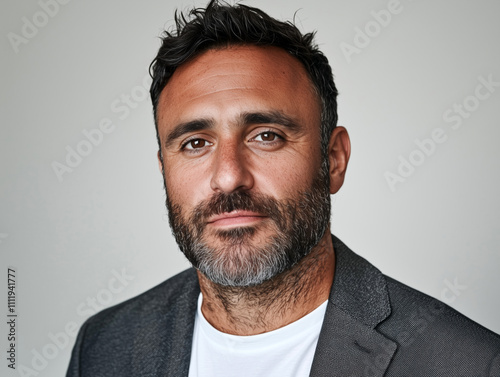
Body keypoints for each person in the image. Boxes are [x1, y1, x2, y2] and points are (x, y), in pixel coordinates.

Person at [66, 1, 500, 376]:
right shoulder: (104, 347)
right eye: (196, 143)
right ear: (164, 168)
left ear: (333, 160)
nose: (229, 175)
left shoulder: (469, 364)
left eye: (266, 135)